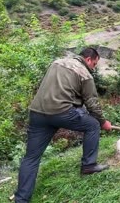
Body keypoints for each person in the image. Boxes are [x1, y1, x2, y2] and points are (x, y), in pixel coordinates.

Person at [14, 47, 112, 203]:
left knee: (31, 158)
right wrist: (103, 122)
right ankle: (89, 165)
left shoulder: (56, 62)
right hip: (61, 113)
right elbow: (92, 104)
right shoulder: (85, 74)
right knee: (92, 125)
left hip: (37, 112)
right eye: (94, 64)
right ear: (88, 59)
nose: (93, 68)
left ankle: (21, 200)